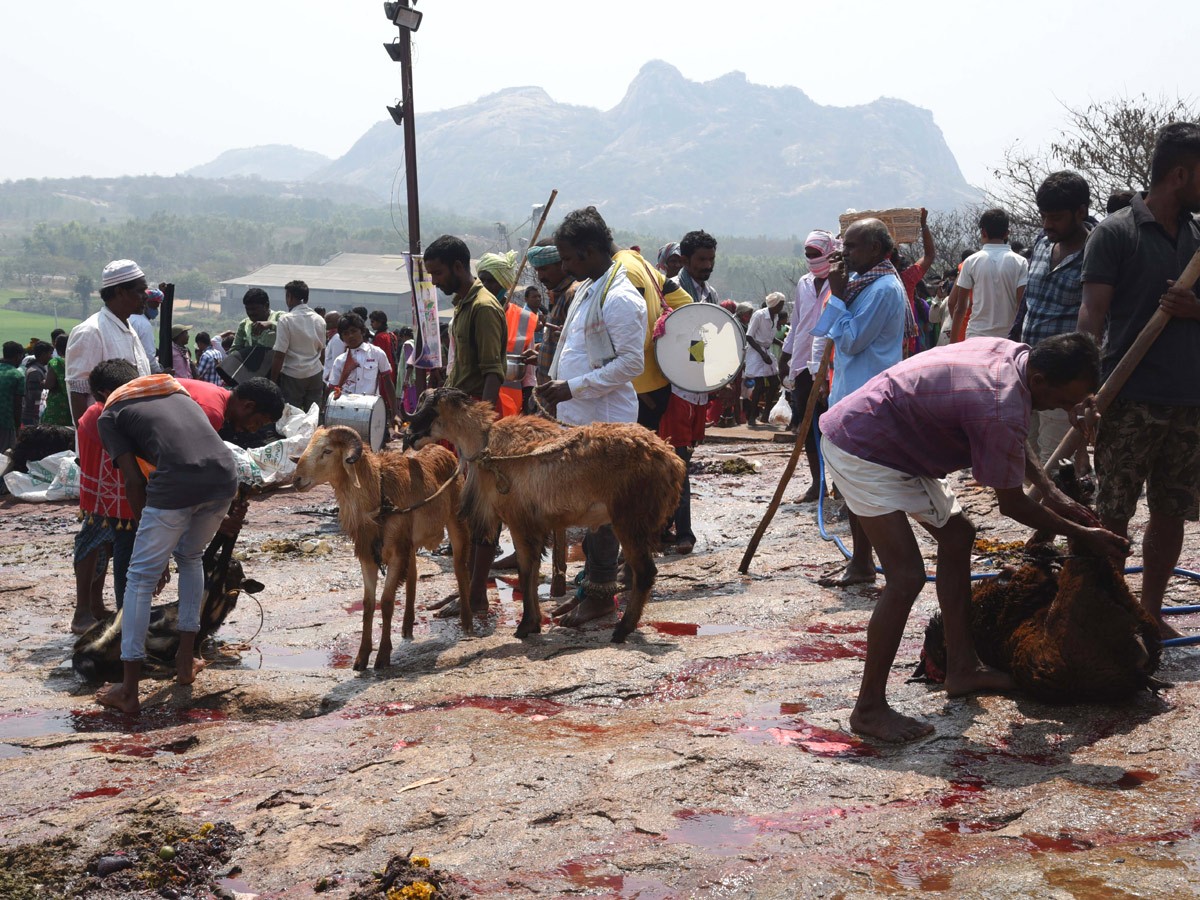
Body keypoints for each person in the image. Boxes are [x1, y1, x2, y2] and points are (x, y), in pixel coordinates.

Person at [820, 334, 1126, 741]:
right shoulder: (1000, 402)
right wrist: (1083, 534)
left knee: (958, 535)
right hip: (860, 445)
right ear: (1038, 380)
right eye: (1064, 400)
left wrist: (1053, 493)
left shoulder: (1015, 356)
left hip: (900, 441)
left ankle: (963, 668)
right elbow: (1012, 504)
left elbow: (1012, 434)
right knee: (907, 577)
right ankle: (869, 708)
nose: (1066, 409)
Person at [1078, 121, 1200, 638]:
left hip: (1189, 400)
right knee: (1113, 513)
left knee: (1171, 511)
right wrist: (1082, 391)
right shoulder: (1116, 233)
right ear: (1180, 174)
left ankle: (1149, 611)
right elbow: (1091, 317)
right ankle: (1107, 613)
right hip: (1127, 399)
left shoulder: (1199, 239)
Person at [94, 373, 241, 715]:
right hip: (224, 476)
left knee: (140, 579)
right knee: (190, 557)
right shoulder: (176, 391)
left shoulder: (110, 415)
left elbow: (134, 482)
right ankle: (186, 662)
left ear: (105, 393)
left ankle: (128, 691)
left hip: (177, 482)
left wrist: (155, 558)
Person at [537, 207, 646, 626]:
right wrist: (555, 386)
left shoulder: (619, 297)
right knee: (586, 511)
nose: (563, 267)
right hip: (579, 417)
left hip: (606, 420)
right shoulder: (590, 288)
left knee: (603, 514)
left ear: (588, 252)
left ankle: (602, 598)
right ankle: (588, 591)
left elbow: (631, 365)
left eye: (567, 259)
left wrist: (571, 387)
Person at [811, 218, 908, 588]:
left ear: (876, 251)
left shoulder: (883, 288)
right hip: (851, 395)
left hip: (868, 399)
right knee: (851, 486)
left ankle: (866, 563)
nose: (844, 253)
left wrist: (837, 297)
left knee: (863, 488)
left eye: (851, 247)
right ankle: (861, 561)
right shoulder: (862, 285)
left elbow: (850, 340)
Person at [424, 234, 507, 617]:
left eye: (438, 273)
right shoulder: (463, 306)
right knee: (471, 511)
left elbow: (493, 374)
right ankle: (470, 589)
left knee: (483, 513)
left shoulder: (485, 308)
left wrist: (482, 436)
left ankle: (475, 596)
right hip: (464, 430)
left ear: (459, 266)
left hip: (479, 432)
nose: (435, 281)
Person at [1015, 171, 1094, 472]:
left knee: (1057, 461)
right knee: (1026, 454)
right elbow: (1027, 307)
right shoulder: (1042, 244)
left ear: (1081, 212)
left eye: (1056, 217)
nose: (1048, 224)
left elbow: (1100, 317)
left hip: (1062, 380)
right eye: (1044, 216)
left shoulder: (1096, 252)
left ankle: (1067, 515)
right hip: (1025, 371)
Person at [71, 359, 141, 634]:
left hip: (119, 495)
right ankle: (81, 611)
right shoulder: (98, 414)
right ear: (103, 392)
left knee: (108, 548)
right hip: (103, 496)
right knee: (90, 546)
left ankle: (96, 606)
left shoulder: (115, 411)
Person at [779, 230, 838, 501]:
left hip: (829, 363)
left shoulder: (839, 282)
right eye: (809, 254)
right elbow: (798, 321)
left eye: (817, 254)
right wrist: (786, 354)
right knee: (808, 425)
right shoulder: (804, 283)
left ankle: (840, 483)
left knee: (833, 425)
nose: (813, 259)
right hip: (803, 362)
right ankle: (818, 483)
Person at [65, 259, 153, 423]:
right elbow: (78, 393)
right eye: (140, 291)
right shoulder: (91, 331)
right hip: (103, 440)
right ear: (120, 292)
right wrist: (90, 440)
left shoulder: (129, 329)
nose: (145, 297)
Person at [949, 209, 1029, 342]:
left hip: (976, 337)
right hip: (1008, 338)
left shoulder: (970, 261)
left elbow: (960, 307)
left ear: (983, 232)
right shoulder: (1020, 262)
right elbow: (1021, 305)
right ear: (1007, 233)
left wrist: (952, 344)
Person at [327, 313, 397, 424]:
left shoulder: (377, 353)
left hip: (370, 412)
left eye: (354, 331)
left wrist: (395, 413)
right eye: (346, 333)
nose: (350, 336)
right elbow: (332, 390)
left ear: (363, 331)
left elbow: (388, 383)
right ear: (341, 337)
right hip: (345, 412)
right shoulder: (340, 361)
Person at [270, 279, 327, 412]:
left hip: (292, 375)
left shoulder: (286, 319)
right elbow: (322, 352)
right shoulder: (320, 320)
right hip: (315, 374)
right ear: (306, 298)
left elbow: (279, 355)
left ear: (289, 297)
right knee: (313, 414)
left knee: (291, 417)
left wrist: (273, 382)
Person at [528, 240, 579, 385]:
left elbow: (576, 352)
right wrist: (541, 356)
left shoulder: (572, 294)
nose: (540, 277)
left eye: (544, 269)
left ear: (561, 264)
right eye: (537, 271)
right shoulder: (558, 295)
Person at [744, 293, 785, 425]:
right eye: (780, 304)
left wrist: (780, 343)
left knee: (774, 382)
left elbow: (769, 337)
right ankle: (752, 416)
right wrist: (762, 354)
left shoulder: (776, 316)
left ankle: (766, 413)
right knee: (760, 384)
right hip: (756, 351)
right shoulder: (759, 315)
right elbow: (749, 336)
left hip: (766, 350)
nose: (781, 307)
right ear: (774, 304)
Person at [230, 288, 282, 356]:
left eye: (254, 309)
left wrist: (271, 325)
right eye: (247, 309)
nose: (250, 313)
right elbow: (235, 349)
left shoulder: (280, 317)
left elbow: (292, 328)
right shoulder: (244, 324)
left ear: (266, 306)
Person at [677, 231, 719, 305]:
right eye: (702, 260)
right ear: (685, 260)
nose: (708, 265)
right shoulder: (674, 291)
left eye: (711, 259)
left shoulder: (712, 294)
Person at [0, 342, 25, 451]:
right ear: (18, 356)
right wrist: (18, 426)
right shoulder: (17, 375)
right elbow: (17, 404)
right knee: (5, 456)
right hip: (5, 422)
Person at [42, 333, 71, 426]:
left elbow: (50, 384)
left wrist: (43, 383)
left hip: (58, 405)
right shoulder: (76, 361)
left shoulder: (56, 362)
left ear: (56, 348)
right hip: (72, 403)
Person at [21, 341, 52, 427]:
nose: (51, 357)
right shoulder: (35, 372)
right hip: (32, 415)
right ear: (43, 355)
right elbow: (34, 396)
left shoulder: (38, 369)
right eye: (50, 354)